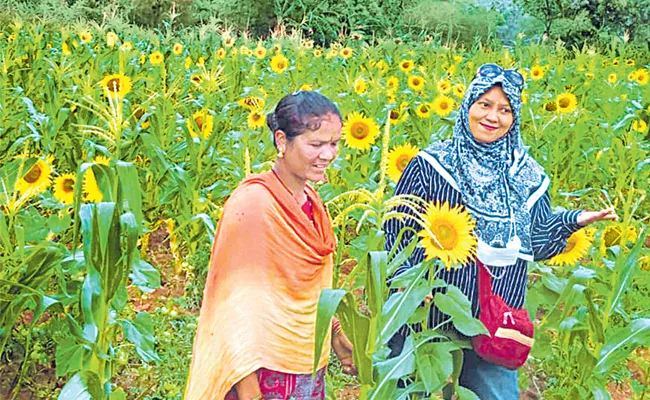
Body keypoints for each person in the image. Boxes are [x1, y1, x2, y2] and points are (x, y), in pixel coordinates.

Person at [384, 64, 618, 399]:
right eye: (484, 104)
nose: (493, 116)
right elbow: (397, 227)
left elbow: (535, 241)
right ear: (468, 106)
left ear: (515, 117)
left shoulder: (529, 176)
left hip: (494, 319)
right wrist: (409, 282)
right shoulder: (431, 164)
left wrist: (573, 220)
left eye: (505, 109)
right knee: (404, 390)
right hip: (426, 309)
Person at [185, 91, 356, 400]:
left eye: (334, 144)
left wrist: (335, 333)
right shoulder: (253, 205)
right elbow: (233, 307)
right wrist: (249, 388)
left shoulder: (311, 204)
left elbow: (305, 291)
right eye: (316, 144)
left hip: (306, 363)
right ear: (281, 140)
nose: (328, 155)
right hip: (261, 373)